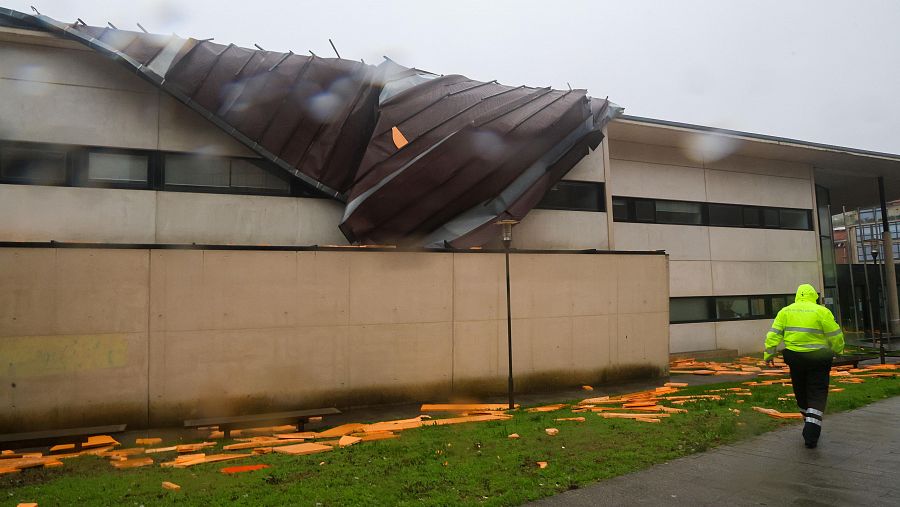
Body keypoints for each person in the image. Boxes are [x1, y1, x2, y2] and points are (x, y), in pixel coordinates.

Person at [763, 283, 844, 448]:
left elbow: (773, 335)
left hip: (796, 359)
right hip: (818, 359)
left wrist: (769, 354)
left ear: (797, 295)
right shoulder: (822, 311)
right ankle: (811, 432)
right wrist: (838, 350)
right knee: (817, 393)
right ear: (814, 296)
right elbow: (835, 334)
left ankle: (808, 420)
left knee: (800, 392)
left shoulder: (785, 311)